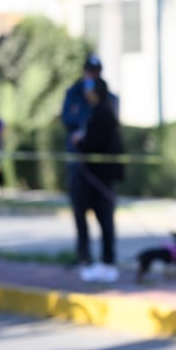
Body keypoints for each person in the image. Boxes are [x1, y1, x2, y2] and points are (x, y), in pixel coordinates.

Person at [61, 54, 117, 269]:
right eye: (89, 71)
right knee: (79, 211)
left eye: (96, 72)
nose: (92, 76)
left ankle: (107, 259)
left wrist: (87, 132)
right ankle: (83, 255)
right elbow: (67, 119)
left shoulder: (105, 96)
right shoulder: (74, 93)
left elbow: (107, 128)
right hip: (79, 166)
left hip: (100, 168)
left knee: (104, 215)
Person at [69, 77, 124, 283]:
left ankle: (107, 263)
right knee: (98, 219)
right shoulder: (101, 110)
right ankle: (99, 261)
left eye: (90, 88)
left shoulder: (103, 112)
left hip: (100, 177)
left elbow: (97, 142)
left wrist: (81, 140)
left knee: (104, 220)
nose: (86, 92)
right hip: (98, 176)